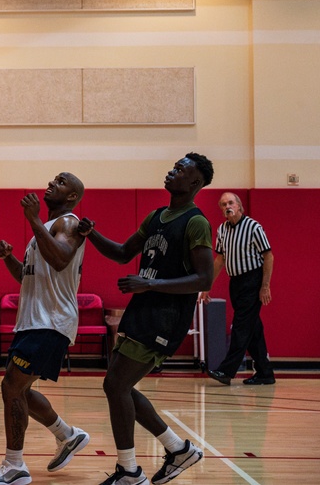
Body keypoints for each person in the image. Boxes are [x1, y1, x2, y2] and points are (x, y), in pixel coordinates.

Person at [78, 154, 215, 485]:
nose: (172, 171)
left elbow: (204, 279)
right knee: (118, 386)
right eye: (174, 166)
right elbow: (123, 253)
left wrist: (150, 284)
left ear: (195, 182)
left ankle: (129, 470)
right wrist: (92, 234)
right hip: (142, 310)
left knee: (116, 385)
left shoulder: (196, 222)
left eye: (180, 170)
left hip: (165, 317)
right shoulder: (156, 217)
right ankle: (178, 449)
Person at [0, 173, 90, 485]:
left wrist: (32, 218)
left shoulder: (68, 223)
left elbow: (60, 259)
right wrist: (9, 258)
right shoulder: (47, 229)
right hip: (36, 320)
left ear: (72, 196)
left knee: (12, 387)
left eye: (61, 182)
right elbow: (27, 276)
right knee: (20, 390)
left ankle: (14, 465)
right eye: (54, 179)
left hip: (50, 321)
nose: (53, 183)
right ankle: (67, 435)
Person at [203, 192, 275, 386]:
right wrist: (207, 286)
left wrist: (265, 286)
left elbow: (268, 256)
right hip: (235, 282)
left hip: (253, 280)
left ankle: (227, 371)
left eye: (231, 203)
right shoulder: (222, 230)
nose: (228, 206)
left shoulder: (253, 227)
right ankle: (265, 373)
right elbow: (219, 260)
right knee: (252, 328)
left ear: (239, 206)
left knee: (241, 327)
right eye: (223, 204)